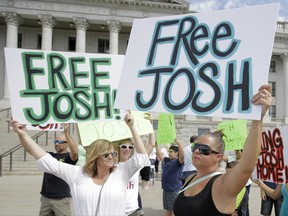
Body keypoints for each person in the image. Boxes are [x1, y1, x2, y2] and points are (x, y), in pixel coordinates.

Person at [10, 112, 150, 216]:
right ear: (95, 156)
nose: (111, 157)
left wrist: (132, 127)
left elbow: (142, 157)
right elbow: (46, 160)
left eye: (113, 154)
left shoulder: (121, 172)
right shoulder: (77, 174)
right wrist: (23, 135)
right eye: (105, 154)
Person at [173, 84, 273, 215]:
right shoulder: (189, 179)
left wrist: (258, 118)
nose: (197, 151)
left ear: (218, 156)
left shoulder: (223, 184)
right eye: (195, 147)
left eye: (204, 149)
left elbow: (246, 166)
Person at [113, 114, 155, 216]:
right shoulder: (110, 164)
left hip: (133, 211)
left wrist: (150, 126)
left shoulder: (135, 163)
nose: (127, 149)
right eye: (124, 146)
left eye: (130, 147)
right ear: (117, 148)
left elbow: (151, 145)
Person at [39, 123, 78, 216]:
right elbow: (30, 149)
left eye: (60, 142)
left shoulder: (68, 158)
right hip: (45, 198)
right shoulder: (50, 156)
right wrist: (21, 133)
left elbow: (75, 152)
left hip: (61, 199)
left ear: (67, 144)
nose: (57, 143)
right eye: (56, 141)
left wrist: (67, 133)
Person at [156, 139, 184, 216]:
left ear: (177, 153)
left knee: (176, 210)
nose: (169, 153)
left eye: (171, 152)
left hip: (174, 190)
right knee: (168, 209)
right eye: (169, 151)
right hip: (166, 189)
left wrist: (179, 143)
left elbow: (182, 156)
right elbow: (160, 156)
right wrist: (156, 145)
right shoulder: (166, 160)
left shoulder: (178, 162)